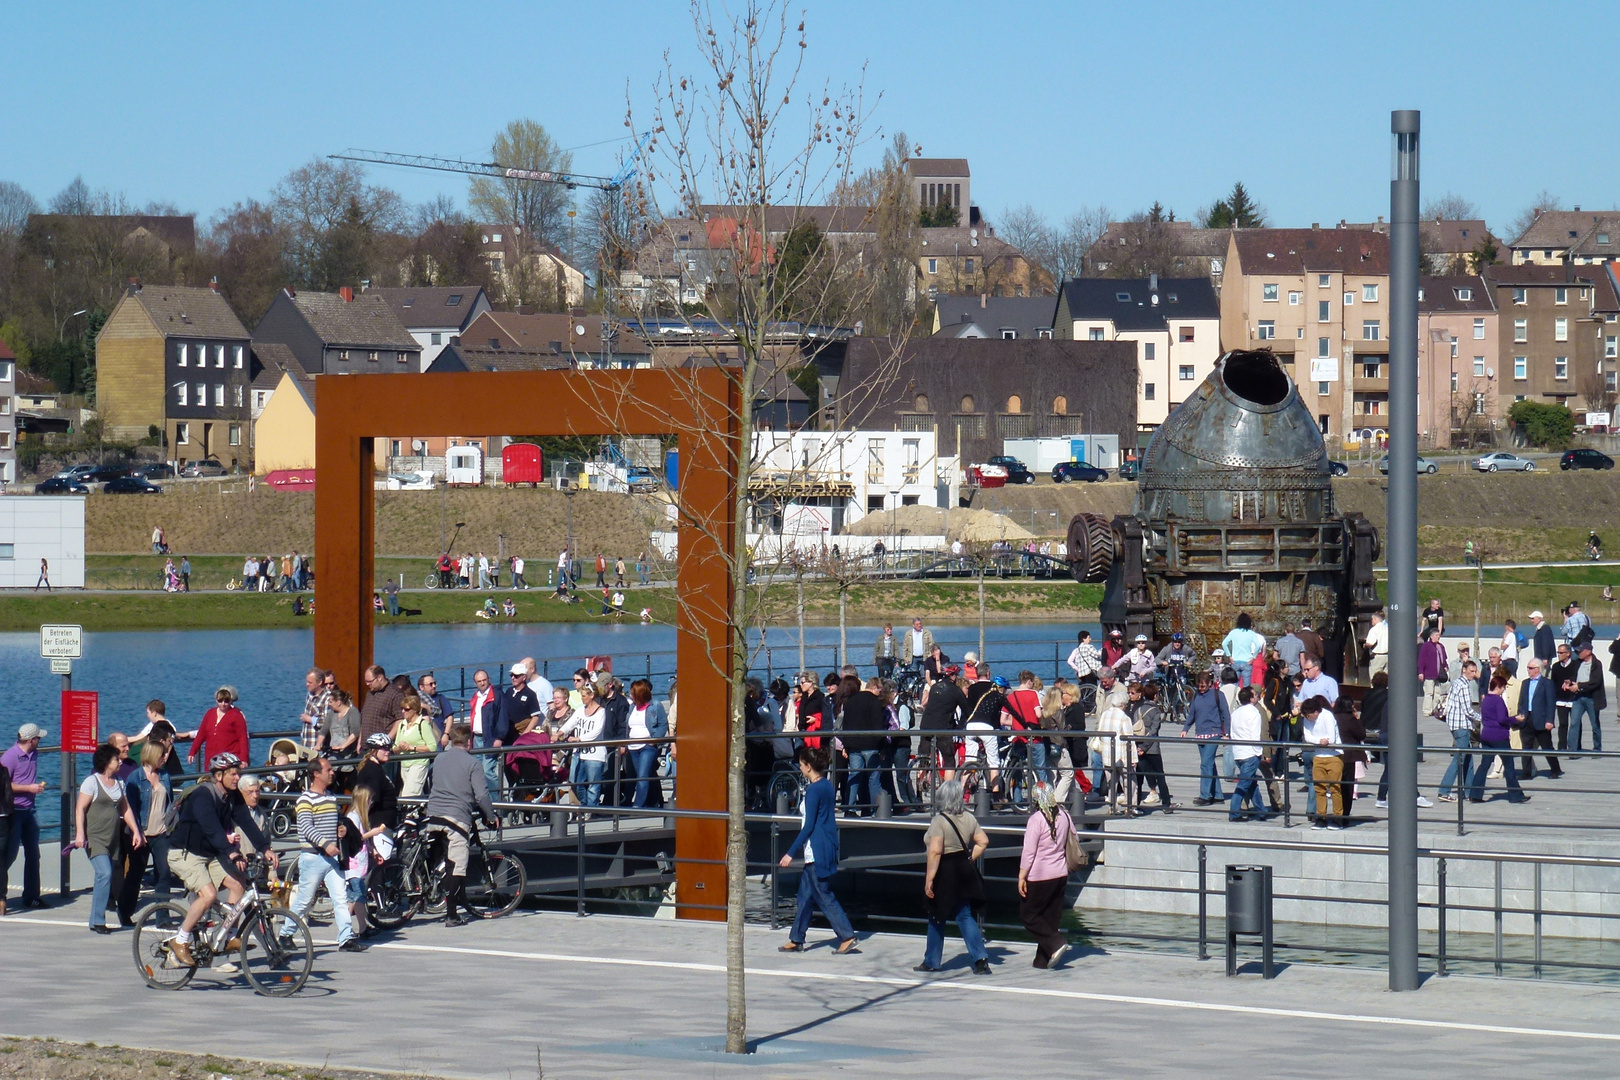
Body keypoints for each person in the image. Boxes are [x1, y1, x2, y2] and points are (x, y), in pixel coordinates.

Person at [166, 753, 274, 968]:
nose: (237, 778)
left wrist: (264, 847)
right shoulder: (202, 796)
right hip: (184, 853)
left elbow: (245, 821)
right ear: (218, 775)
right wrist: (231, 852)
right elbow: (211, 828)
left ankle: (230, 936)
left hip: (208, 853)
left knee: (238, 885)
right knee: (209, 895)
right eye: (232, 774)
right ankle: (180, 941)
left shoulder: (232, 797)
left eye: (238, 773)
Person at [778, 746, 859, 956]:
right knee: (805, 896)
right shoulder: (826, 786)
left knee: (823, 894)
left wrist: (790, 853)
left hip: (816, 848)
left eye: (801, 764)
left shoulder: (814, 790)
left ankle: (847, 935)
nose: (799, 767)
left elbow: (809, 826)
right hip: (825, 845)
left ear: (808, 766)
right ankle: (797, 938)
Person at [425, 723, 498, 927]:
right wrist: (491, 816)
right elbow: (482, 795)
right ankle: (451, 915)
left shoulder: (439, 758)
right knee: (456, 865)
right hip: (456, 817)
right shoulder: (473, 763)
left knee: (441, 859)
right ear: (469, 742)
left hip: (434, 814)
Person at [290, 756, 364, 952]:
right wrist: (326, 844)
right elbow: (306, 827)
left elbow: (334, 823)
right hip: (313, 856)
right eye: (328, 770)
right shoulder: (305, 799)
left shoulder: (331, 797)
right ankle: (286, 933)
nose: (332, 773)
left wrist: (341, 830)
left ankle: (346, 937)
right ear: (316, 774)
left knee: (340, 897)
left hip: (331, 858)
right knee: (305, 899)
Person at [915, 777, 989, 973]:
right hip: (963, 870)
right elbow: (983, 842)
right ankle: (980, 959)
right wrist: (970, 858)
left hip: (944, 871)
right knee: (964, 915)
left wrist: (929, 878)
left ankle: (931, 961)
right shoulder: (969, 818)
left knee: (937, 915)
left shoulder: (939, 821)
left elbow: (935, 851)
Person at [73, 743, 144, 932]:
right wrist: (80, 833)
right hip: (95, 837)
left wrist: (136, 831)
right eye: (116, 759)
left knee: (106, 876)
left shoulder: (120, 782)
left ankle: (96, 919)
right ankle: (98, 920)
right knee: (104, 873)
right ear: (106, 762)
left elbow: (125, 809)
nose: (120, 761)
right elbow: (80, 808)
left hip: (112, 838)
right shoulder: (92, 782)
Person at [1019, 782, 1075, 969]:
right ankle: (1042, 960)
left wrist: (1022, 875)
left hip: (1039, 875)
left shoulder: (1036, 819)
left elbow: (1029, 852)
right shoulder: (1064, 815)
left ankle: (1056, 943)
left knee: (1029, 915)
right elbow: (1074, 836)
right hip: (1060, 873)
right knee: (1051, 917)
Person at [2, 724, 48, 911]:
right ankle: (1, 894)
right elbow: (4, 784)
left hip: (30, 811)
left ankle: (31, 896)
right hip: (14, 812)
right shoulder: (10, 757)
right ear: (31, 740)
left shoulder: (33, 754)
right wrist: (28, 788)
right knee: (9, 855)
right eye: (38, 738)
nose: (40, 741)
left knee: (33, 854)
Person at [1468, 676, 1530, 805]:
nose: (1503, 690)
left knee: (1484, 765)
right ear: (1499, 687)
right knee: (1509, 765)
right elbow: (1502, 719)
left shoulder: (1485, 700)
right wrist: (1515, 719)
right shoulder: (1498, 700)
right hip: (1499, 736)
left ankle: (1475, 794)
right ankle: (1516, 795)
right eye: (1503, 688)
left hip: (1486, 736)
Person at [1436, 660, 1481, 802]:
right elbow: (1467, 709)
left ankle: (1468, 791)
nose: (1474, 674)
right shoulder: (1463, 685)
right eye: (1471, 671)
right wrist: (1482, 718)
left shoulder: (1456, 683)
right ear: (1464, 670)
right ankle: (1444, 790)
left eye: (1475, 671)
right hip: (1461, 727)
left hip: (1456, 725)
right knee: (1459, 759)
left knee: (1468, 758)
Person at [560, 682, 609, 809]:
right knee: (575, 781)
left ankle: (591, 808)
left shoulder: (601, 712)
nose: (582, 699)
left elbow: (596, 732)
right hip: (579, 753)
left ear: (591, 695)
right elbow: (570, 724)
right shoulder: (580, 711)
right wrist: (560, 732)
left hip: (594, 754)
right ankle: (585, 804)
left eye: (584, 696)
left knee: (593, 785)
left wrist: (578, 739)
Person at [1184, 671, 1229, 805]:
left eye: (1203, 686)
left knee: (1205, 763)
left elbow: (1226, 714)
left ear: (1210, 684)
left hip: (1214, 733)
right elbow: (1192, 713)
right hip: (1200, 733)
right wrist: (1185, 728)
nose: (1201, 689)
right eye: (1199, 686)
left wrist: (1226, 733)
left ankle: (1205, 795)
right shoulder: (1197, 696)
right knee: (1209, 764)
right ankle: (1218, 794)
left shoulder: (1218, 695)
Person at [1514, 658, 1562, 781]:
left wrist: (1550, 720)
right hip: (1527, 718)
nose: (1528, 670)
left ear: (1538, 669)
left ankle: (1555, 769)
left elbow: (1551, 703)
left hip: (1541, 719)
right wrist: (1520, 715)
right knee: (1526, 747)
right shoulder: (1525, 683)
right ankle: (1527, 772)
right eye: (1527, 667)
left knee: (1547, 746)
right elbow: (1522, 701)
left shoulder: (1547, 683)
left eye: (1530, 668)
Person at [625, 679, 669, 808]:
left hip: (647, 747)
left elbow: (663, 724)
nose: (629, 695)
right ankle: (652, 800)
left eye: (632, 693)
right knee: (642, 775)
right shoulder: (632, 707)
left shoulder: (655, 705)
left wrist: (654, 741)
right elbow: (627, 726)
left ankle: (638, 805)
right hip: (633, 746)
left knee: (642, 777)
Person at [1227, 687, 1269, 821]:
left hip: (1238, 752)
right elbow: (1255, 735)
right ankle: (1234, 812)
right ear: (1251, 698)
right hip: (1250, 753)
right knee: (1244, 784)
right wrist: (1259, 752)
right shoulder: (1254, 712)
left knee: (1251, 784)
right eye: (1255, 695)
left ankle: (1261, 810)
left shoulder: (1235, 712)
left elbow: (1232, 732)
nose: (1257, 697)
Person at [188, 686, 249, 770]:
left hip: (229, 759)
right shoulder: (209, 714)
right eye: (220, 701)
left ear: (230, 701)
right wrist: (192, 752)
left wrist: (243, 759)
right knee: (210, 781)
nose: (223, 704)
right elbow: (201, 734)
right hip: (211, 759)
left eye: (226, 701)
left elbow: (243, 739)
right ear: (216, 700)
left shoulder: (236, 715)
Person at [390, 696, 436, 798]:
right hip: (405, 765)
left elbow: (432, 747)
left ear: (415, 710)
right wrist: (400, 748)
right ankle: (422, 811)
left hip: (419, 764)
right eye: (402, 709)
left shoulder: (422, 724)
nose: (403, 712)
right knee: (416, 793)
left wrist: (412, 748)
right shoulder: (402, 725)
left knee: (408, 795)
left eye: (406, 709)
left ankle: (410, 814)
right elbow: (395, 748)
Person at [1221, 614, 1266, 687]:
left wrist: (1229, 656)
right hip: (1247, 662)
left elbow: (1224, 644)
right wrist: (1253, 657)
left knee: (1234, 684)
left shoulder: (1234, 632)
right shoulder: (1251, 633)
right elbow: (1258, 646)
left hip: (1235, 661)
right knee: (1246, 686)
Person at [1364, 611, 1389, 677]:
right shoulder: (1387, 629)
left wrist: (1365, 645)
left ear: (1375, 619)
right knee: (1385, 680)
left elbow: (1370, 644)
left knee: (1375, 679)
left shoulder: (1374, 630)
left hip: (1377, 657)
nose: (1371, 621)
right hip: (1388, 657)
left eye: (1372, 619)